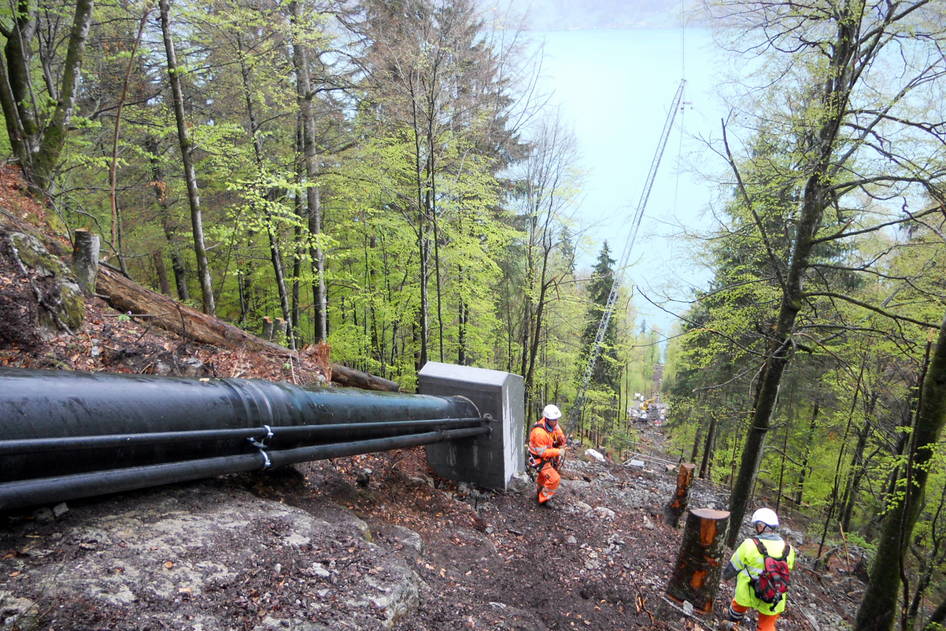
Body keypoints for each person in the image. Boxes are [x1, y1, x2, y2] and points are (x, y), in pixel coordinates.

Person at [720, 507, 796, 630]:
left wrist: (725, 577)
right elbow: (787, 569)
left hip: (748, 591)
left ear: (761, 526)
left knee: (737, 607)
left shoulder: (749, 544)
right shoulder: (788, 549)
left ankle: (732, 624)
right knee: (767, 624)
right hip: (773, 594)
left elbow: (734, 565)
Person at [528, 404, 566, 505]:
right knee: (555, 479)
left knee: (543, 477)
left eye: (556, 419)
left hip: (545, 457)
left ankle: (539, 491)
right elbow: (541, 452)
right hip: (537, 459)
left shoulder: (553, 424)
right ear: (547, 419)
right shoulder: (539, 433)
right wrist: (558, 452)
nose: (556, 422)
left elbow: (558, 431)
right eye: (554, 420)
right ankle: (543, 499)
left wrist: (561, 438)